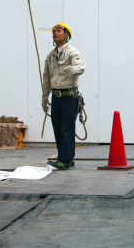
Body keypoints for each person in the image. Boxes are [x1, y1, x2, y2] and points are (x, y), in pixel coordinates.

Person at [42, 22, 85, 170]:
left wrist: (69, 69)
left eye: (59, 31)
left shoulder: (72, 52)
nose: (55, 33)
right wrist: (44, 97)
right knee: (58, 128)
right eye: (54, 31)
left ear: (67, 35)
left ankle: (65, 160)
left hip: (69, 97)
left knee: (67, 128)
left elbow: (81, 67)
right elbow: (46, 78)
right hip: (56, 97)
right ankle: (66, 158)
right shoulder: (50, 56)